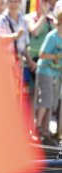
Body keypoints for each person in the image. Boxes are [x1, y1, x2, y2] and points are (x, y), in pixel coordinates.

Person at [34, 9, 62, 142]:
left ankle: (45, 131)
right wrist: (55, 56)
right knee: (46, 100)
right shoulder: (52, 36)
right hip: (45, 71)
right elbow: (42, 54)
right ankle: (38, 127)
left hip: (56, 73)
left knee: (53, 102)